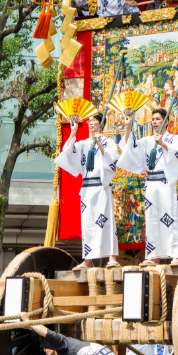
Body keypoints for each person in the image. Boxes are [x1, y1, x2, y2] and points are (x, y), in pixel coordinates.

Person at [119, 108, 178, 266]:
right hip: (151, 183)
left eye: (158, 119)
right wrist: (128, 126)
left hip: (165, 182)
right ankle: (153, 256)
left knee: (171, 217)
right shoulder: (147, 141)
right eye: (153, 119)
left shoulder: (174, 139)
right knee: (152, 218)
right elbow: (130, 147)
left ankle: (175, 255)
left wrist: (162, 143)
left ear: (166, 121)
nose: (154, 122)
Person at [56, 113, 120, 270]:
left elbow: (114, 161)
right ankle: (88, 259)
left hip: (101, 187)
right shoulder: (83, 144)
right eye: (89, 121)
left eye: (94, 121)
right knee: (88, 224)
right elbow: (67, 152)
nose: (91, 123)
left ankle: (112, 257)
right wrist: (73, 132)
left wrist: (100, 145)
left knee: (106, 221)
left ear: (101, 124)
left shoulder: (108, 142)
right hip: (86, 188)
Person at [19, 312, 119, 355]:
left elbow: (46, 332)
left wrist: (27, 320)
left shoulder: (63, 343)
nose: (44, 349)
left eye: (46, 346)